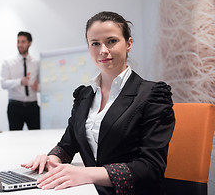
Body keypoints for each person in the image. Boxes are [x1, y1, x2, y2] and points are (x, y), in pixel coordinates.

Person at [21, 11, 175, 195]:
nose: (103, 50)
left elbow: (151, 168)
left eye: (111, 41)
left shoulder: (152, 95)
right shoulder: (84, 95)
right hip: (90, 190)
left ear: (128, 43)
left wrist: (87, 174)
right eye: (95, 43)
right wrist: (52, 159)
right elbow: (68, 145)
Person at [1, 31, 40, 130]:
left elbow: (42, 84)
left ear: (29, 43)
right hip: (15, 106)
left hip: (32, 106)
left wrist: (38, 88)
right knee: (14, 138)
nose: (19, 45)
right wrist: (20, 82)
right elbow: (3, 83)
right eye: (18, 42)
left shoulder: (36, 62)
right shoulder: (8, 62)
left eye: (23, 42)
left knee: (37, 136)